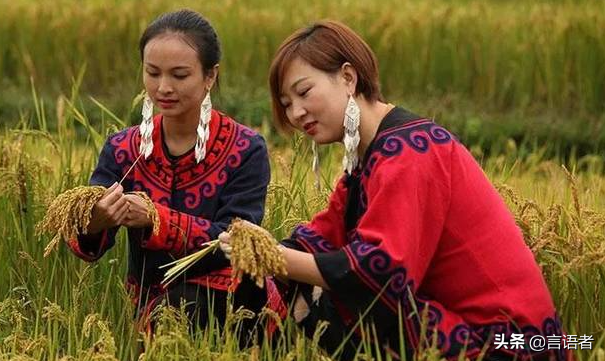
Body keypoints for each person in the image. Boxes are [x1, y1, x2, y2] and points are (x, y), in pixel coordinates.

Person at [220, 20, 569, 360]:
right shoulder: (370, 155)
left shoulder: (410, 151)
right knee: (290, 285)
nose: (295, 112)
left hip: (506, 341)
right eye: (285, 103)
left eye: (304, 92)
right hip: (469, 325)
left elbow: (381, 273)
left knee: (340, 297)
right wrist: (255, 247)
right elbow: (322, 236)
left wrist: (275, 259)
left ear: (347, 77)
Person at [66, 9, 271, 341]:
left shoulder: (246, 149)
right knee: (165, 315)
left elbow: (239, 240)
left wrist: (156, 218)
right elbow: (87, 245)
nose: (163, 87)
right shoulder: (123, 148)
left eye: (179, 75)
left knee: (181, 309)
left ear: (209, 76)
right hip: (151, 306)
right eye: (153, 73)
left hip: (229, 299)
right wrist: (97, 219)